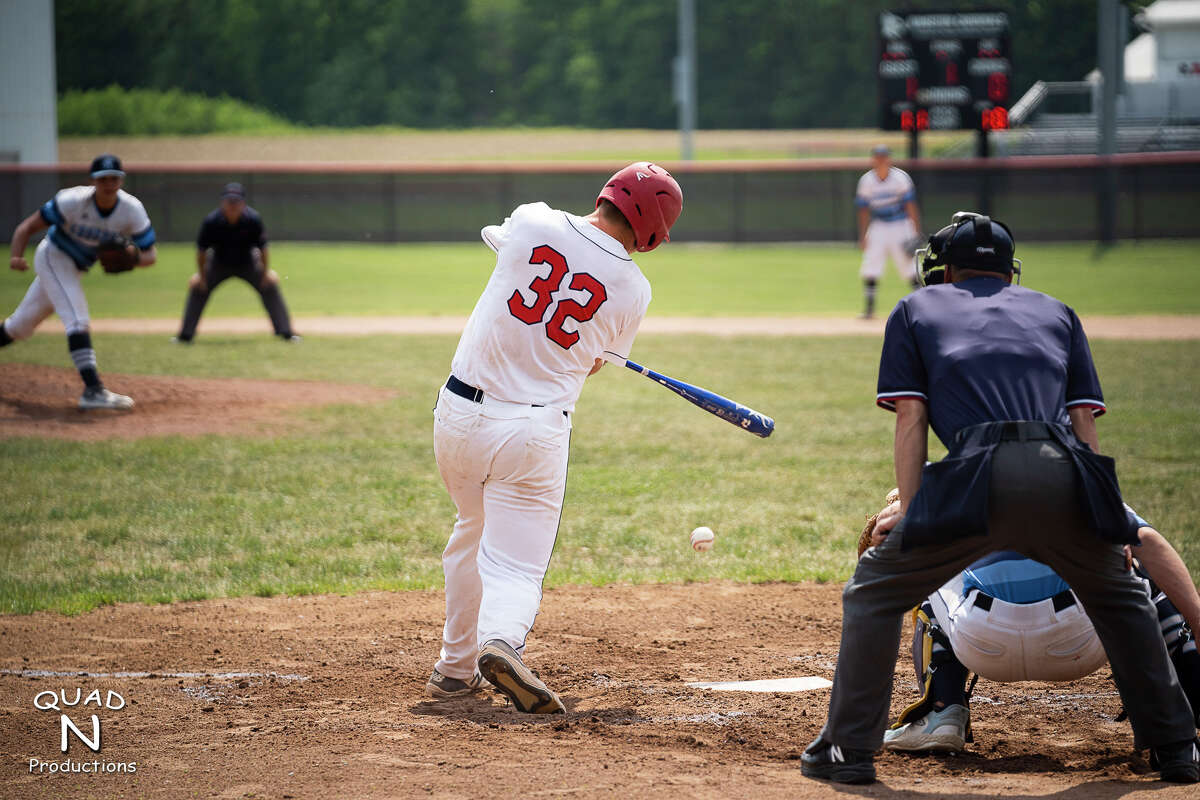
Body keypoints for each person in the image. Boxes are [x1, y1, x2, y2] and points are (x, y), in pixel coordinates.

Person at [801, 211, 1199, 784]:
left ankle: (849, 750)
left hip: (975, 471)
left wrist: (913, 512)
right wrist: (1103, 517)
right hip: (1063, 468)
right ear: (1010, 272)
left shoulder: (915, 309)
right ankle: (1177, 748)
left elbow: (911, 419)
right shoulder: (1058, 311)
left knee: (874, 593)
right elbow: (1085, 423)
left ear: (946, 271)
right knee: (1123, 597)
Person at [426, 162, 682, 713]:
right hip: (533, 432)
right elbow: (593, 364)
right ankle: (501, 642)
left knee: (472, 530)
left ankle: (454, 670)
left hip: (458, 415)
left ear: (606, 195)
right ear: (652, 235)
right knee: (515, 564)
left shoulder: (533, 219)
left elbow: (514, 260)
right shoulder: (634, 289)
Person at [879, 518, 1200, 753]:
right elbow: (1147, 540)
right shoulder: (1076, 475)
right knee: (1141, 571)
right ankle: (1183, 712)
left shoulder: (961, 479)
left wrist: (900, 510)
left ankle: (943, 710)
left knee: (933, 562)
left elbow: (903, 539)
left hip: (982, 642)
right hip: (1079, 639)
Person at [2, 154, 157, 410]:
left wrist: (130, 259)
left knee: (19, 327)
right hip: (53, 256)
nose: (109, 184)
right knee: (77, 319)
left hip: (75, 269)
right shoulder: (71, 200)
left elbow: (150, 256)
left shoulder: (132, 209)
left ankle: (93, 391)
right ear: (92, 181)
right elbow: (27, 227)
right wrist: (16, 256)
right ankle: (92, 390)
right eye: (103, 179)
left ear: (121, 180)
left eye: (114, 178)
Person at [174, 183, 298, 343]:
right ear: (222, 203)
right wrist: (202, 277)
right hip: (218, 263)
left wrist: (265, 273)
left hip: (248, 262)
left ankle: (286, 332)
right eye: (229, 201)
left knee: (270, 285)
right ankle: (185, 335)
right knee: (198, 287)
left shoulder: (253, 219)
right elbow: (201, 252)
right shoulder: (212, 221)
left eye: (236, 201)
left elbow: (263, 249)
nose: (232, 205)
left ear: (243, 203)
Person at [854, 144, 921, 319]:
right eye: (878, 157)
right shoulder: (867, 181)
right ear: (873, 160)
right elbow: (863, 210)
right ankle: (869, 310)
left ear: (889, 159)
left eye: (884, 157)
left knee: (909, 267)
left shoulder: (900, 178)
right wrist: (863, 235)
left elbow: (911, 206)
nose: (881, 160)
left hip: (900, 224)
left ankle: (924, 306)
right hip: (879, 226)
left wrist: (915, 231)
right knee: (871, 264)